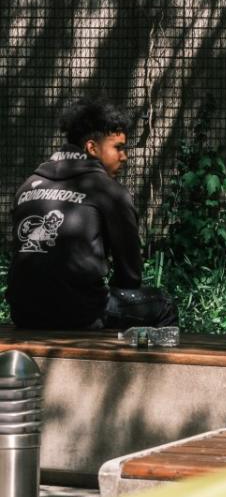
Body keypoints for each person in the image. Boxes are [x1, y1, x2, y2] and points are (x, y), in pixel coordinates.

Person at [6, 98, 178, 330]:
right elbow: (130, 276)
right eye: (118, 147)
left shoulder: (28, 185)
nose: (124, 157)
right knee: (164, 304)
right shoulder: (109, 191)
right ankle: (139, 367)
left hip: (22, 313)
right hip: (79, 313)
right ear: (92, 147)